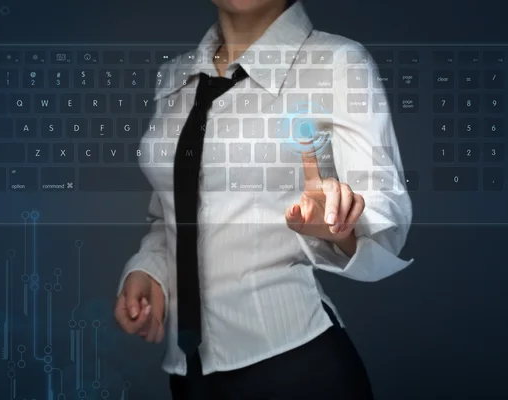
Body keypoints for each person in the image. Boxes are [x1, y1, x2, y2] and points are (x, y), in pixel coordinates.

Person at [114, 0, 413, 398]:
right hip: (188, 377)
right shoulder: (174, 75)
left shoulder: (336, 63)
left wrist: (340, 222)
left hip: (296, 369)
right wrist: (150, 269)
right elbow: (170, 213)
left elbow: (383, 205)